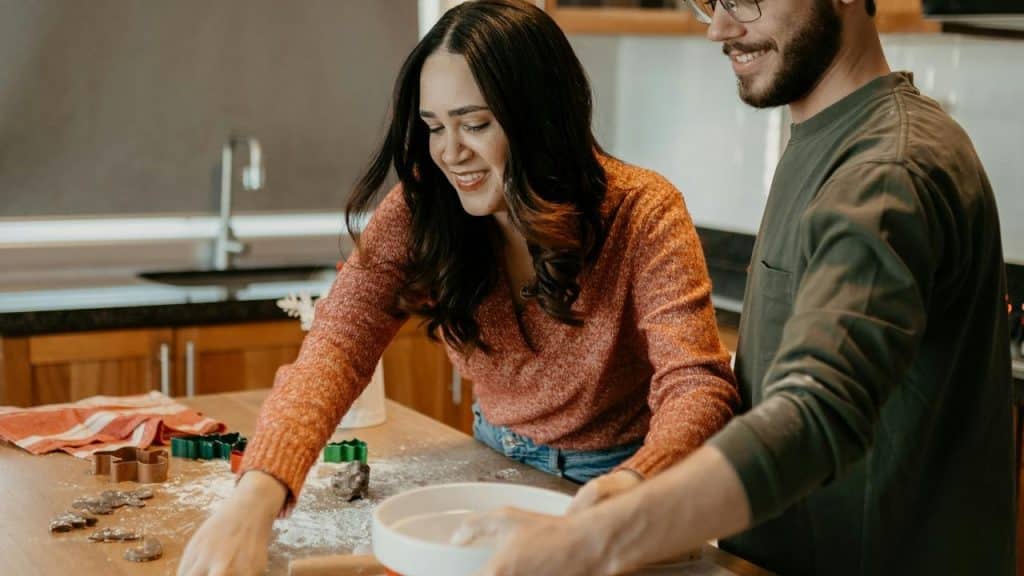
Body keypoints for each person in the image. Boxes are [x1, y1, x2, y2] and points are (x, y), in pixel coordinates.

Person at [176, 1, 739, 574]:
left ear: (540, 118)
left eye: (475, 124)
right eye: (434, 127)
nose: (449, 153)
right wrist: (254, 497)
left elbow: (698, 385)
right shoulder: (422, 207)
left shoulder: (644, 212)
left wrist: (631, 488)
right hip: (492, 462)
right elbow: (337, 347)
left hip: (623, 476)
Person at [460, 0, 1015, 575]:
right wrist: (635, 496)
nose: (720, 29)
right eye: (711, 3)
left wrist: (594, 539)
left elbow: (816, 412)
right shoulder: (825, 136)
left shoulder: (888, 169)